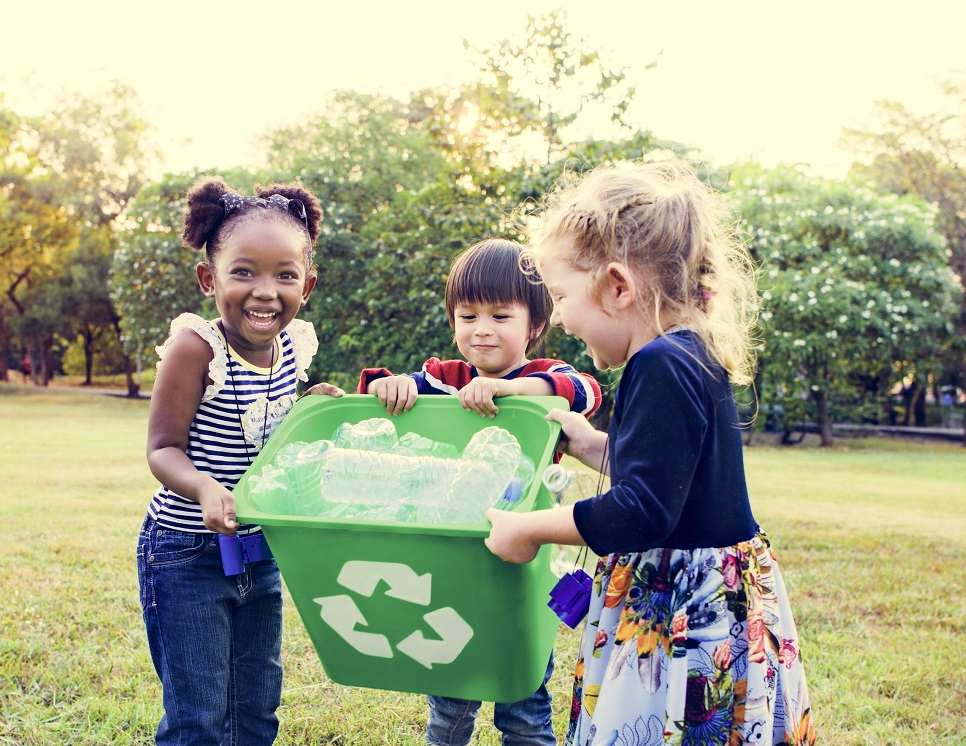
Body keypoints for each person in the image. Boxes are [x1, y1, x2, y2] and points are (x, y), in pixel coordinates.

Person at [484, 163, 816, 745]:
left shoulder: (657, 363)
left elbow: (642, 510)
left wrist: (530, 529)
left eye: (561, 296)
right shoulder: (688, 350)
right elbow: (668, 474)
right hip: (716, 588)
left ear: (617, 287)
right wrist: (589, 444)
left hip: (685, 604)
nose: (557, 316)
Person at [357, 238, 603, 746]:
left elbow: (582, 390)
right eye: (467, 315)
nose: (481, 329)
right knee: (450, 694)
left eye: (500, 315)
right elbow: (385, 394)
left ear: (534, 325)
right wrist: (390, 387)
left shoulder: (542, 377)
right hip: (451, 560)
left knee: (524, 701)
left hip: (522, 565)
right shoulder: (446, 379)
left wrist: (508, 389)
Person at [137, 176, 343, 746]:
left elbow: (268, 432)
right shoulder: (195, 348)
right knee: (199, 714)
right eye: (243, 271)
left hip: (262, 553)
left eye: (285, 274)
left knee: (257, 705)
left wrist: (309, 410)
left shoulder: (294, 346)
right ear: (210, 278)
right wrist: (203, 488)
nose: (264, 291)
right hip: (187, 556)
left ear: (308, 284)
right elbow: (162, 449)